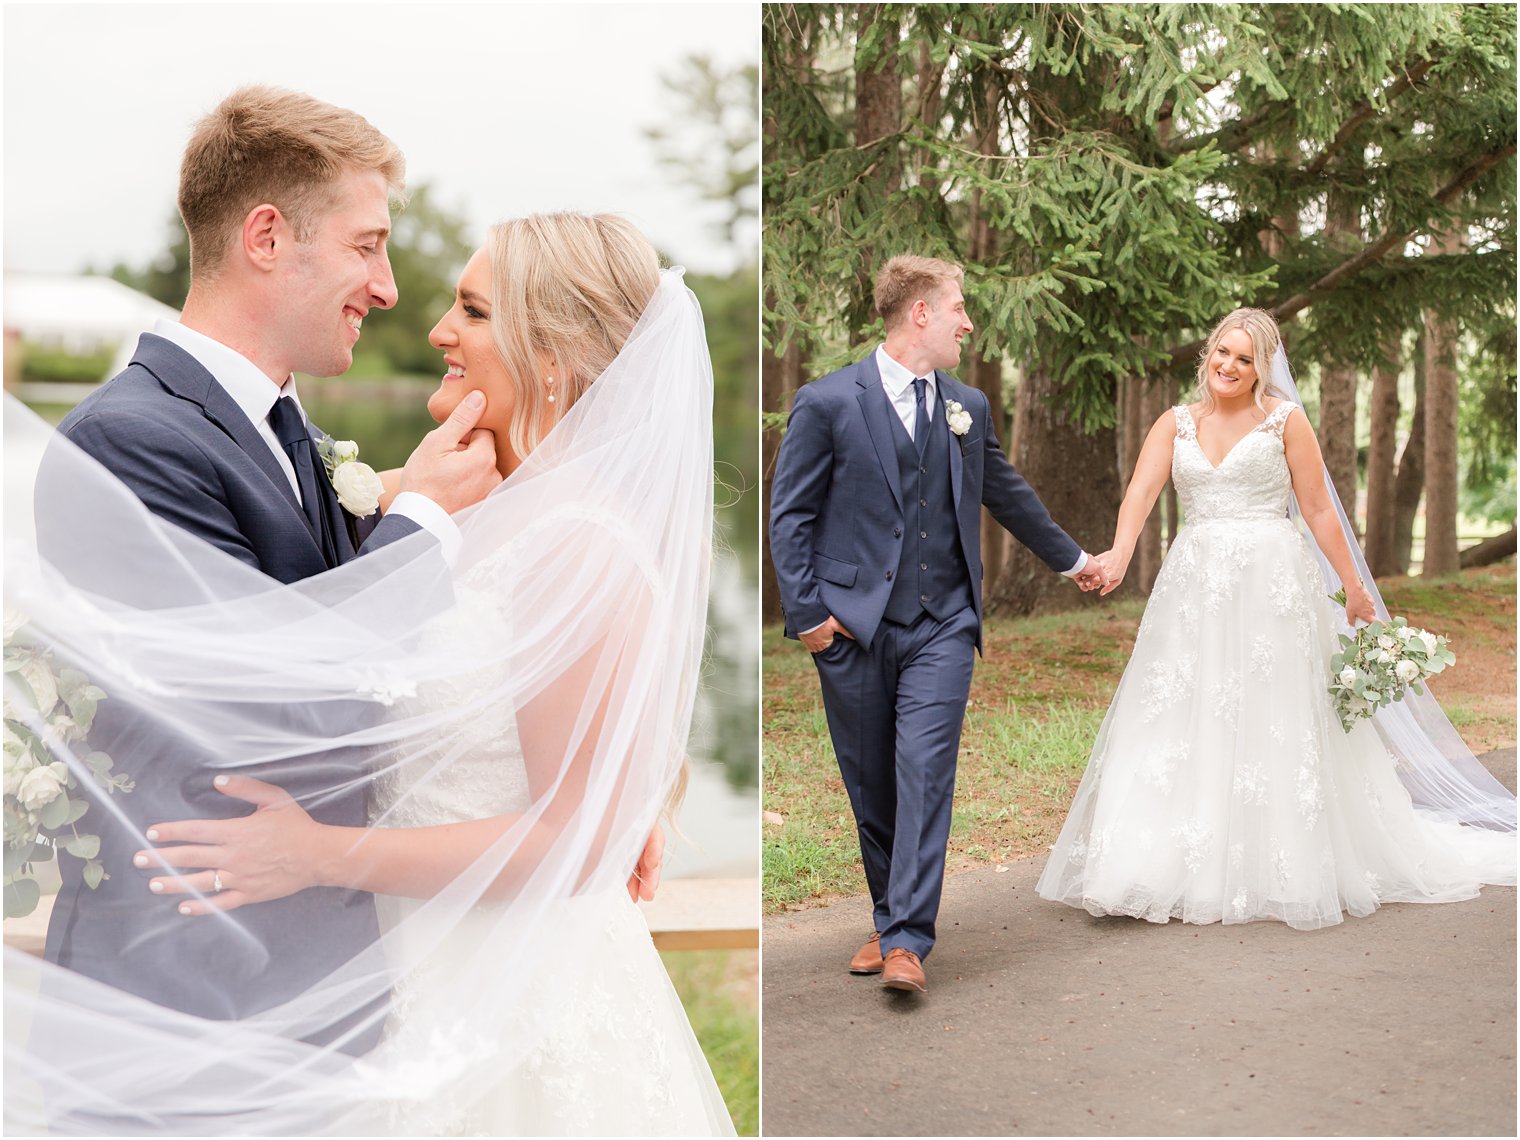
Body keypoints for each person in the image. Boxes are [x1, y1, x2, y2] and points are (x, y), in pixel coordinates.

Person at [4, 98, 718, 1136]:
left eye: (470, 311)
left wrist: (603, 794)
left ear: (553, 354)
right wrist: (420, 514)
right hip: (198, 998)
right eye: (368, 246)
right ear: (265, 239)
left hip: (401, 989)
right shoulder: (130, 444)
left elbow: (455, 682)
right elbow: (273, 694)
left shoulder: (298, 441)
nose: (398, 298)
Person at [1035, 308, 1515, 928]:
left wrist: (1353, 585)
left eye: (1244, 359)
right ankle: (1155, 862)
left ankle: (1286, 858)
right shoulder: (1174, 423)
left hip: (1273, 580)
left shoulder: (1286, 421)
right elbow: (1141, 495)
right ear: (1208, 354)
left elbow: (1317, 510)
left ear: (1263, 368)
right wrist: (1120, 556)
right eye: (1222, 353)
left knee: (1274, 708)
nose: (1228, 367)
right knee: (1184, 707)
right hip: (1195, 582)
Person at [768, 254, 1108, 994]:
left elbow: (1007, 494)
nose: (968, 322)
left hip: (943, 623)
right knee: (873, 785)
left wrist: (1073, 559)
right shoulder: (827, 402)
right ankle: (892, 920)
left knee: (924, 769)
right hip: (852, 628)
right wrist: (812, 621)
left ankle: (907, 943)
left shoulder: (967, 407)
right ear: (919, 312)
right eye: (958, 307)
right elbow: (789, 515)